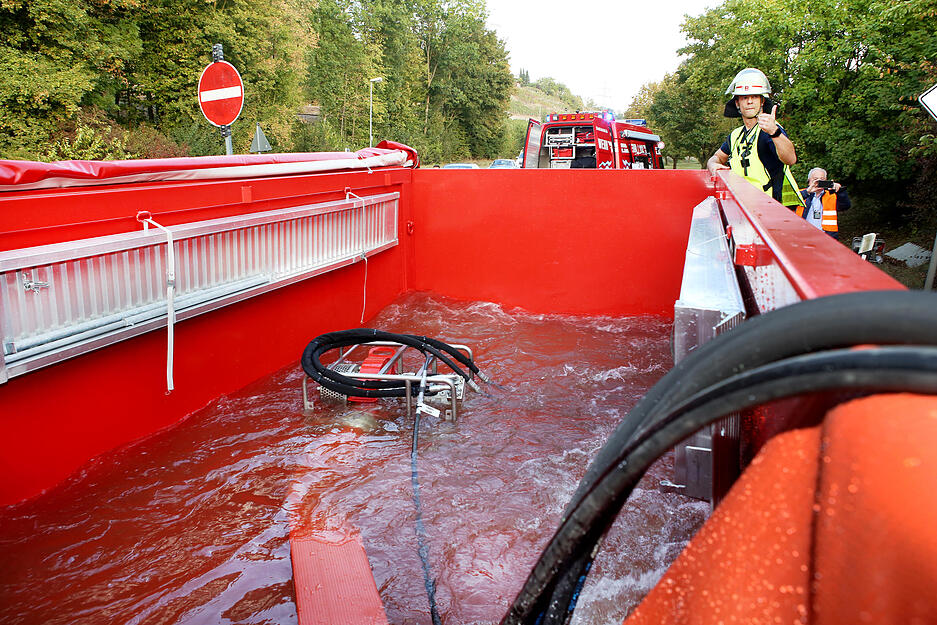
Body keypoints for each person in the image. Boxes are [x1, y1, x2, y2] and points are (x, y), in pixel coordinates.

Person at [706, 68, 805, 210]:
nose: (750, 102)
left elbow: (790, 159)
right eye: (744, 97)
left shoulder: (770, 129)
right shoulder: (735, 135)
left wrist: (774, 132)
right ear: (737, 103)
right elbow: (717, 157)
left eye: (754, 97)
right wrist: (712, 165)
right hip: (743, 208)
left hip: (769, 210)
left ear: (762, 101)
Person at [797, 167, 851, 238]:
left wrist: (840, 191)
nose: (818, 182)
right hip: (802, 235)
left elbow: (845, 206)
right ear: (809, 181)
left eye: (822, 179)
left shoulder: (831, 195)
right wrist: (807, 192)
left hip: (826, 236)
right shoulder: (801, 194)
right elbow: (788, 205)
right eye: (815, 179)